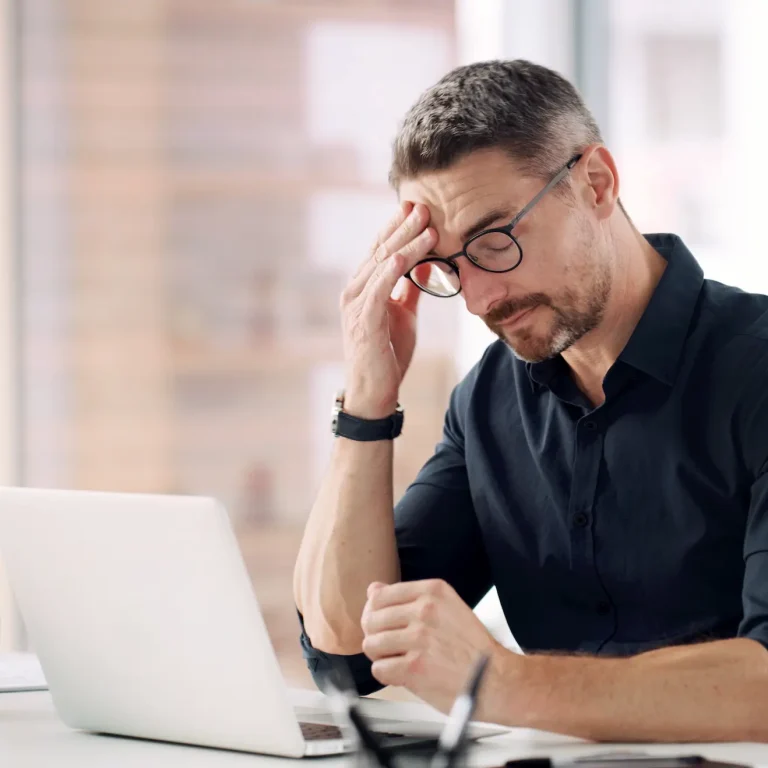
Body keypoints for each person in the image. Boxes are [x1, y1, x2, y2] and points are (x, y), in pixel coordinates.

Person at [292, 60, 768, 742]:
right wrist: (366, 402)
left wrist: (501, 682)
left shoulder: (755, 370)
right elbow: (348, 655)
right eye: (449, 267)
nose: (482, 300)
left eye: (494, 241)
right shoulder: (489, 400)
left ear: (596, 184)